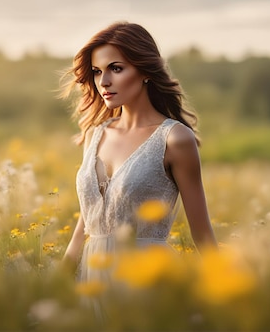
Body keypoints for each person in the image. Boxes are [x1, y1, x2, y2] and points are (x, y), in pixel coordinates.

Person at [60, 21, 217, 284]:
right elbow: (86, 224)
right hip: (93, 282)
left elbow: (202, 233)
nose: (104, 82)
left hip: (148, 283)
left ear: (145, 71)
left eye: (116, 69)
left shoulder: (175, 139)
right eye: (97, 72)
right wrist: (56, 284)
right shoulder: (94, 135)